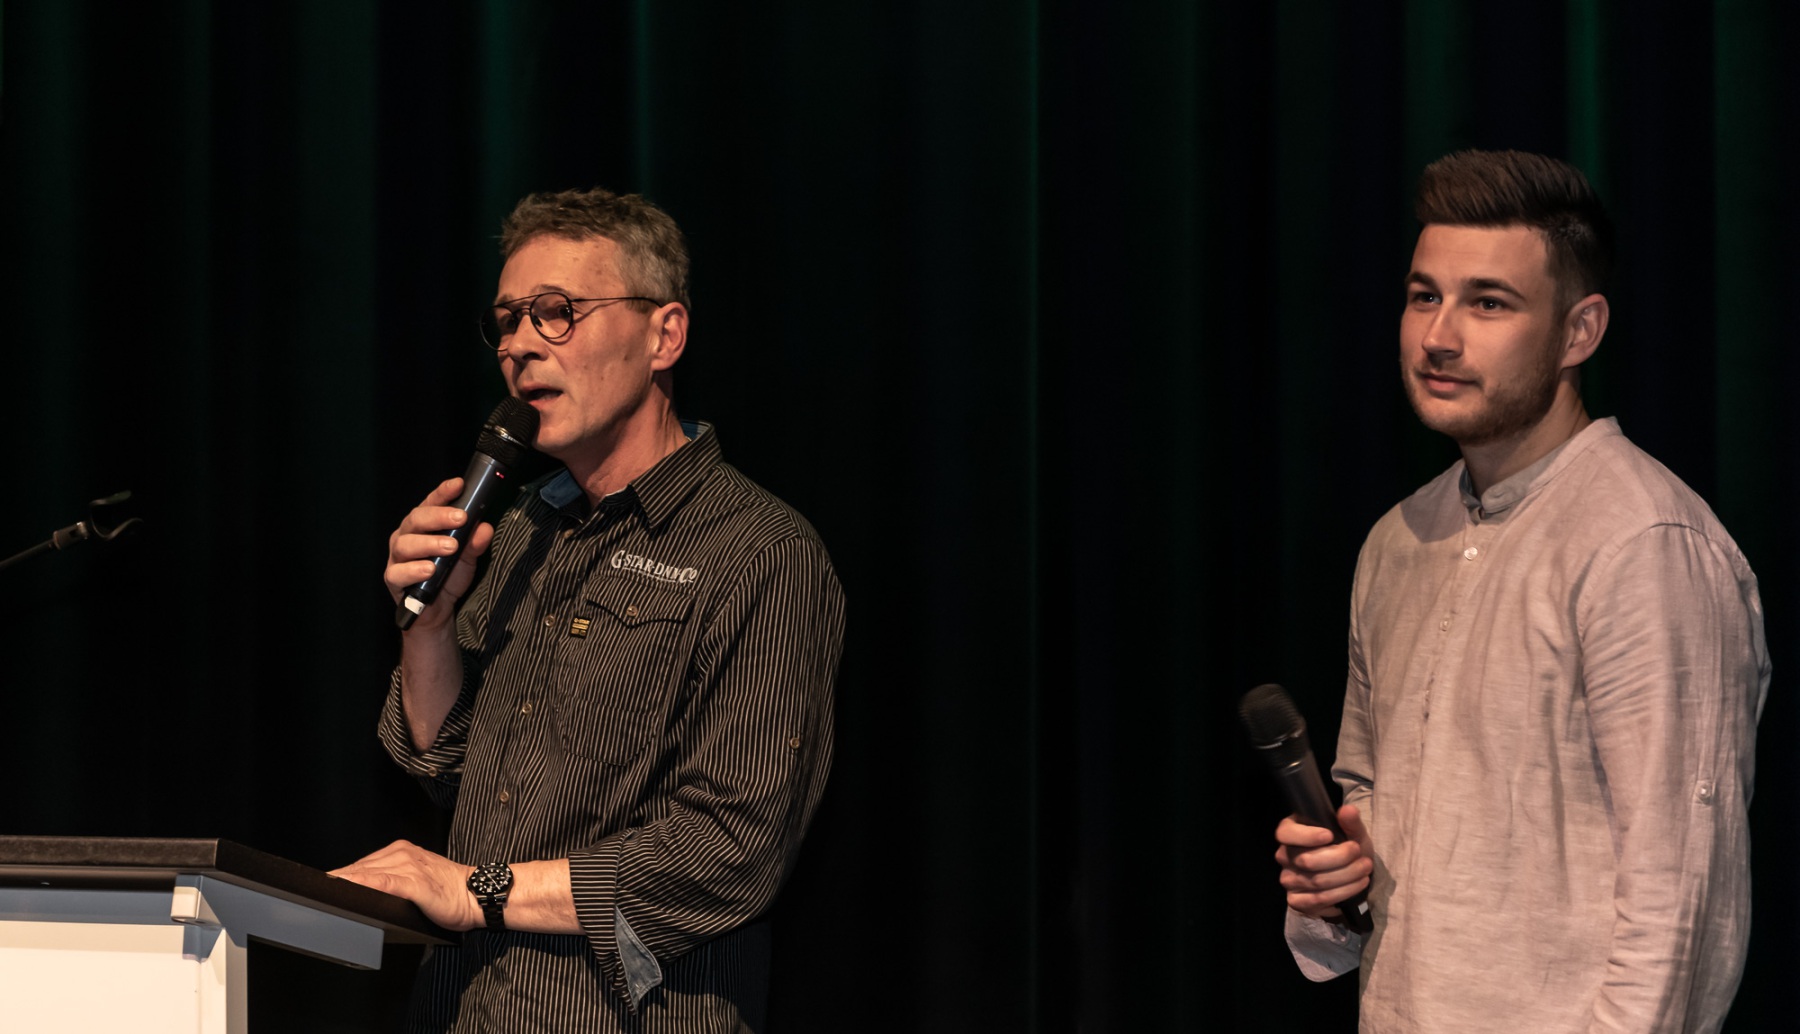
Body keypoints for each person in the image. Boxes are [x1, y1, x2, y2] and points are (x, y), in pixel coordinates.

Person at [1274, 150, 1769, 1033]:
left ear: (1580, 332)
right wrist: (1338, 878)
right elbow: (1373, 812)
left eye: (1489, 303)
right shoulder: (1396, 542)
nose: (1439, 336)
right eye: (1423, 295)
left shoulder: (1644, 544)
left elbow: (1680, 903)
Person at [333, 187, 845, 1032]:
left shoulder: (761, 552)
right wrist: (429, 627)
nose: (519, 345)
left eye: (557, 312)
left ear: (664, 335)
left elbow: (730, 849)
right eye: (507, 320)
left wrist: (477, 890)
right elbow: (444, 770)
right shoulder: (521, 529)